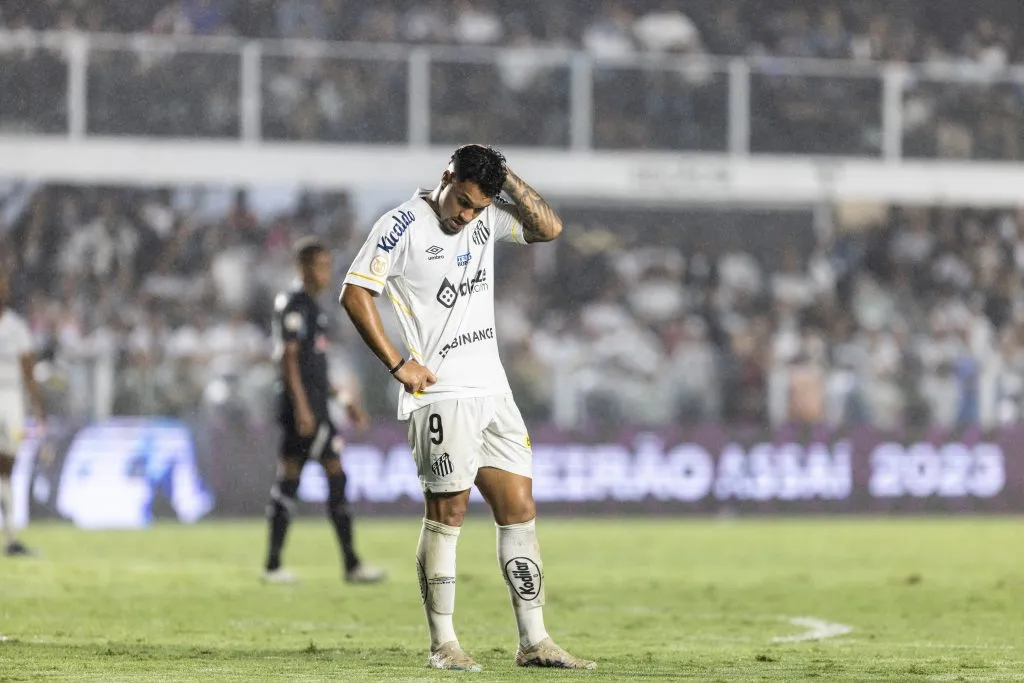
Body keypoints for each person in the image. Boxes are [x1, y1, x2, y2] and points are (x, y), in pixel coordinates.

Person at [340, 145, 596, 671]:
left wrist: (506, 179)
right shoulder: (402, 224)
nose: (467, 216)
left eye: (479, 207)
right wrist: (396, 364)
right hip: (440, 393)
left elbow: (549, 229)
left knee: (520, 508)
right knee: (448, 514)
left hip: (493, 391)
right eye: (461, 202)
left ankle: (534, 641)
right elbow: (355, 292)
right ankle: (444, 645)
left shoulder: (484, 221)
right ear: (445, 178)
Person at [263, 238, 386, 585]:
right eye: (320, 266)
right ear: (303, 267)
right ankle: (283, 565)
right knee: (304, 477)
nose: (327, 272)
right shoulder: (293, 304)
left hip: (318, 406)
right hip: (301, 409)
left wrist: (343, 398)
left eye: (328, 265)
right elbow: (287, 359)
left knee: (318, 478)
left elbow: (313, 365)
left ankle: (344, 564)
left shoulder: (317, 309)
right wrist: (302, 407)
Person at [0, 274, 45, 556]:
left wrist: (37, 406)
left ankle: (11, 537)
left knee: (7, 468)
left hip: (11, 398)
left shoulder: (15, 327)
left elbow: (28, 370)